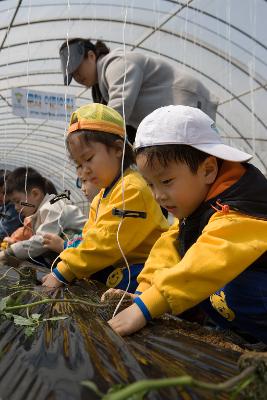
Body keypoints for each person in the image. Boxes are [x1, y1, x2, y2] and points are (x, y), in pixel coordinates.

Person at [106, 105, 267, 344]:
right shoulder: (199, 203)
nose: (158, 195)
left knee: (205, 274)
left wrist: (147, 308)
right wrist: (143, 293)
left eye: (166, 181)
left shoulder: (240, 209)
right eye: (150, 185)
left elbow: (208, 260)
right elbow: (170, 244)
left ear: (208, 170)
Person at [41, 103, 169, 292]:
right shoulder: (102, 195)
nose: (85, 170)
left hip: (148, 267)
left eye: (89, 158)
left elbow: (106, 243)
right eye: (79, 163)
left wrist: (63, 271)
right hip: (121, 263)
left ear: (118, 149)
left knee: (116, 284)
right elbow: (89, 237)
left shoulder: (131, 189)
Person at [59, 38, 218, 143]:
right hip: (174, 116)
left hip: (188, 100)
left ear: (91, 56)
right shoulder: (99, 87)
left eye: (78, 69)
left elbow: (120, 108)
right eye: (73, 75)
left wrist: (90, 137)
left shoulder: (117, 63)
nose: (77, 77)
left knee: (196, 157)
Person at [0, 167, 86, 266]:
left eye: (18, 201)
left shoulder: (52, 206)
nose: (16, 208)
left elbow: (42, 241)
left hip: (89, 254)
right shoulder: (39, 213)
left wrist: (8, 253)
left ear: (35, 194)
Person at [0, 170, 22, 244]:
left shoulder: (14, 208)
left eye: (3, 192)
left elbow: (3, 232)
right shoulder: (4, 205)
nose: (1, 196)